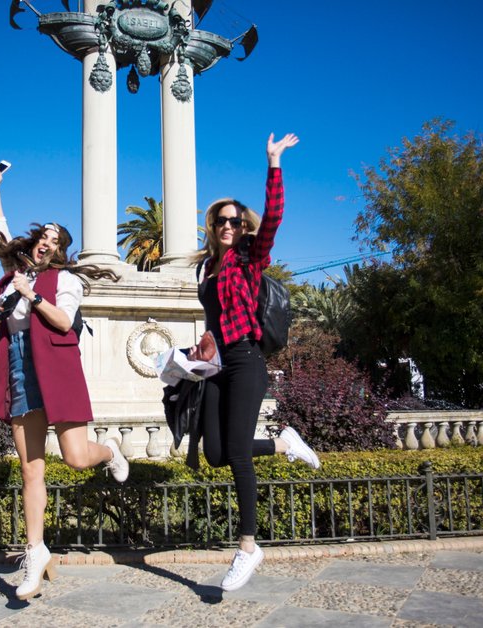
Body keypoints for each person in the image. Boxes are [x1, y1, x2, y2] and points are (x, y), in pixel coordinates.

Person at [0, 165, 128, 601]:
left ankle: (109, 451)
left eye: (57, 240)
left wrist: (33, 295)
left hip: (56, 367)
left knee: (76, 458)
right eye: (46, 235)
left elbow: (63, 322)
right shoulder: (17, 268)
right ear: (36, 240)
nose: (48, 242)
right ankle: (35, 552)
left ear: (61, 252)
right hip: (19, 365)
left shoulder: (66, 280)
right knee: (30, 468)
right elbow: (0, 233)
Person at [190, 132, 320, 592]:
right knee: (216, 453)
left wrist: (273, 162)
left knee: (240, 455)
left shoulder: (250, 257)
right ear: (213, 225)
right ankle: (284, 444)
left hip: (246, 359)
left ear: (244, 227)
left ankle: (248, 547)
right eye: (222, 221)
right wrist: (200, 348)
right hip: (217, 364)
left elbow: (275, 218)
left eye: (235, 221)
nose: (228, 226)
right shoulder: (205, 268)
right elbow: (211, 320)